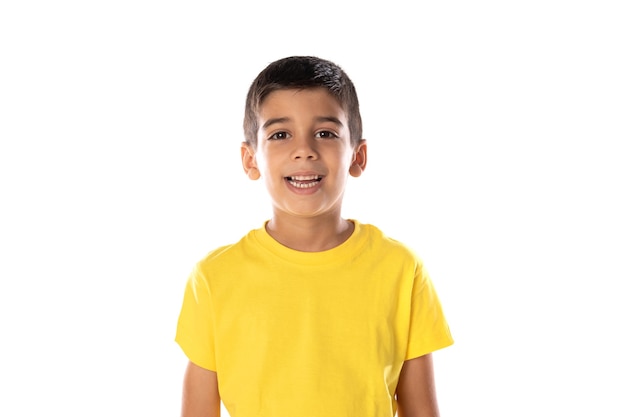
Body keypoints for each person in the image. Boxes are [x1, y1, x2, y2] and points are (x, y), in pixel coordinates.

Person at [175, 55, 454, 417]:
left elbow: (421, 411)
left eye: (325, 133)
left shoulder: (401, 270)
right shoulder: (213, 278)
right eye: (280, 134)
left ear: (358, 155)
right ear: (250, 159)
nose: (303, 149)